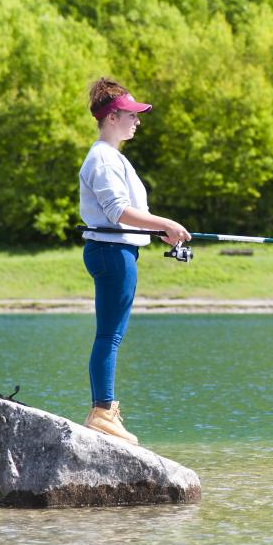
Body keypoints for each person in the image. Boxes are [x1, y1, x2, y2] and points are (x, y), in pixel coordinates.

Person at [79, 77, 190, 445]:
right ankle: (103, 413)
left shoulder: (113, 158)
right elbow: (117, 211)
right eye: (132, 115)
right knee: (109, 336)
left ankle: (104, 411)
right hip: (112, 253)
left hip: (118, 251)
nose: (137, 121)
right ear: (112, 117)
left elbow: (129, 213)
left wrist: (156, 231)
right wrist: (166, 224)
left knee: (111, 335)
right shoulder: (102, 159)